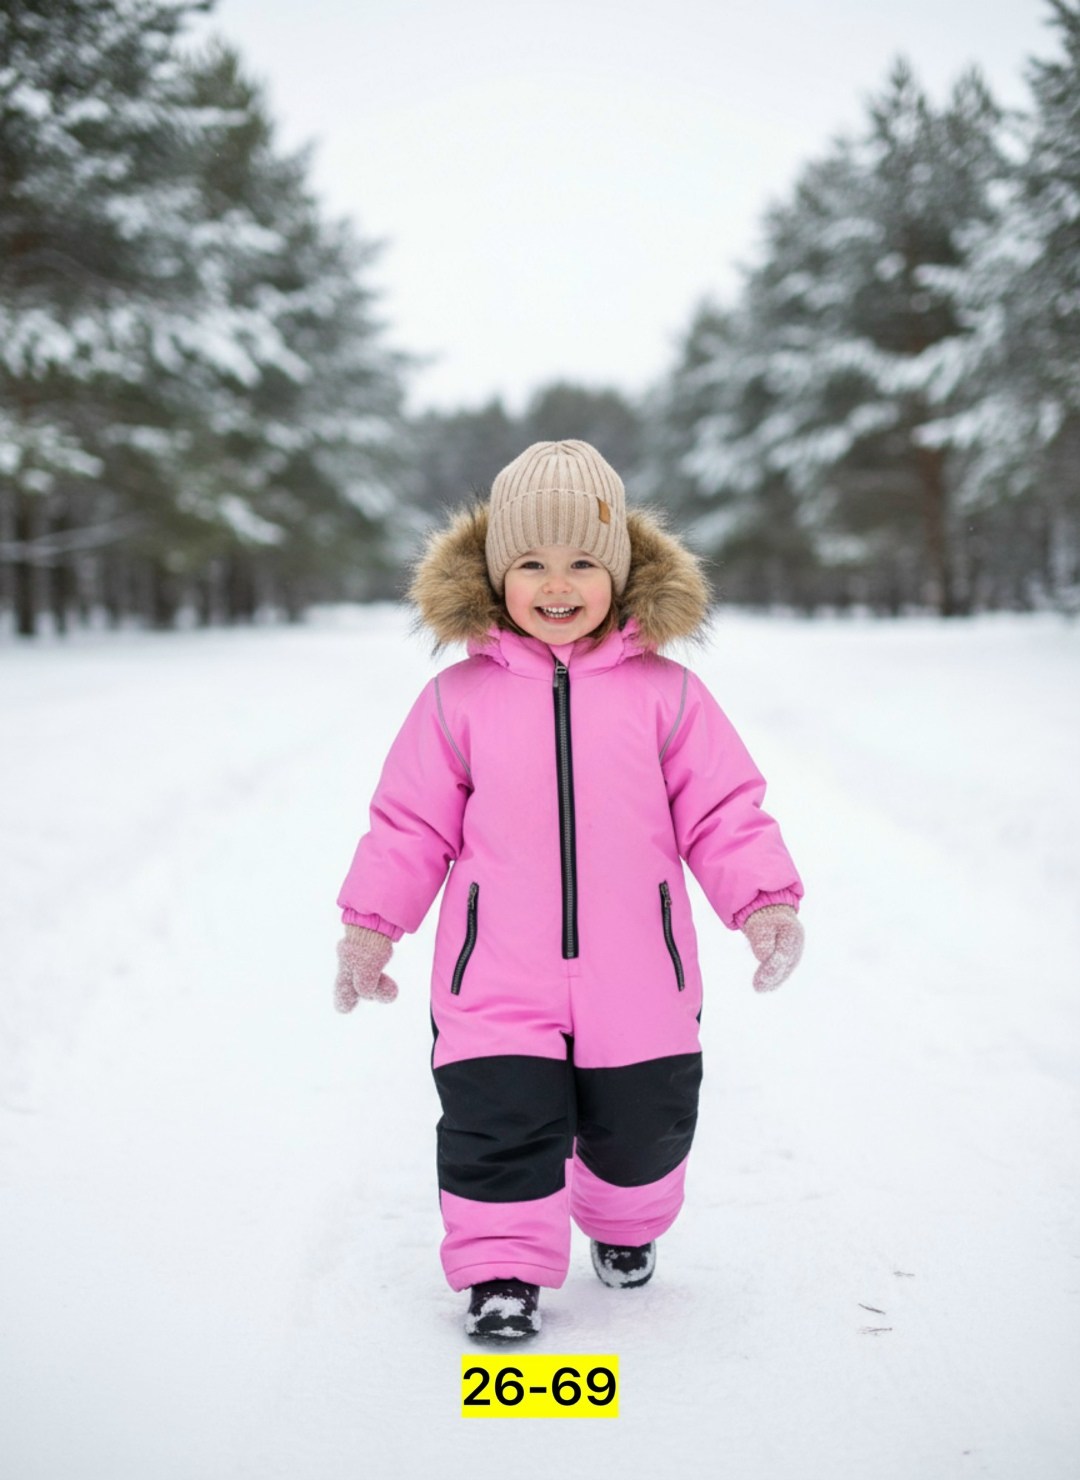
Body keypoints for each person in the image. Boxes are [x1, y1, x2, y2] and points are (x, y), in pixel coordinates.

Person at [334, 439, 805, 1341]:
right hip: (494, 973)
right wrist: (371, 926)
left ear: (619, 573)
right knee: (496, 1122)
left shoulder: (669, 695)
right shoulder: (455, 701)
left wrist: (764, 900)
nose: (558, 584)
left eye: (584, 561)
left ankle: (624, 1224)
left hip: (642, 974)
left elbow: (723, 812)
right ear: (495, 576)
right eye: (532, 564)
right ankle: (502, 1269)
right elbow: (408, 825)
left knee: (643, 1132)